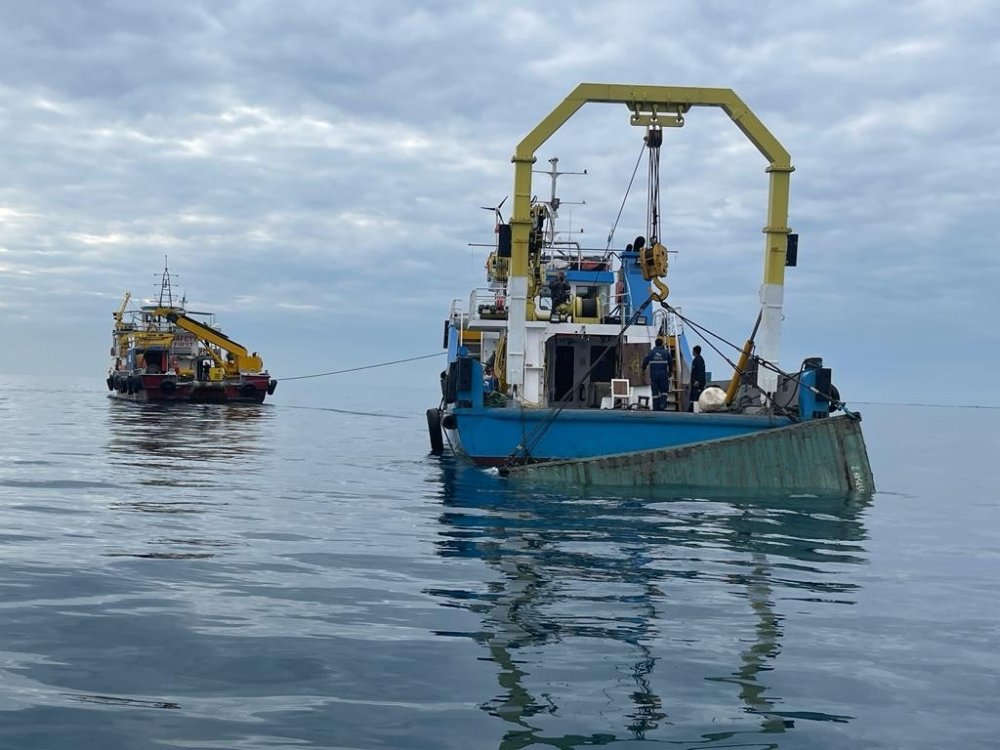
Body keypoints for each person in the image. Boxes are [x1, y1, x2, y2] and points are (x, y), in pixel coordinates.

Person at [642, 337, 672, 411]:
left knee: (655, 392)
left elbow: (645, 362)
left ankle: (656, 408)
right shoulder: (666, 353)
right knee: (664, 391)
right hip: (663, 375)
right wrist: (670, 372)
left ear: (655, 344)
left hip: (654, 375)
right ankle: (662, 403)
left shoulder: (651, 353)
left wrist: (643, 370)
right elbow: (671, 363)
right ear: (662, 344)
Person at [688, 345, 706, 411]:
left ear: (695, 351)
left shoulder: (698, 360)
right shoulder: (697, 359)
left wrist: (698, 381)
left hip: (697, 383)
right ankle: (692, 410)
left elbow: (700, 371)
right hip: (694, 382)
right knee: (693, 397)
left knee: (696, 398)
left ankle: (694, 410)